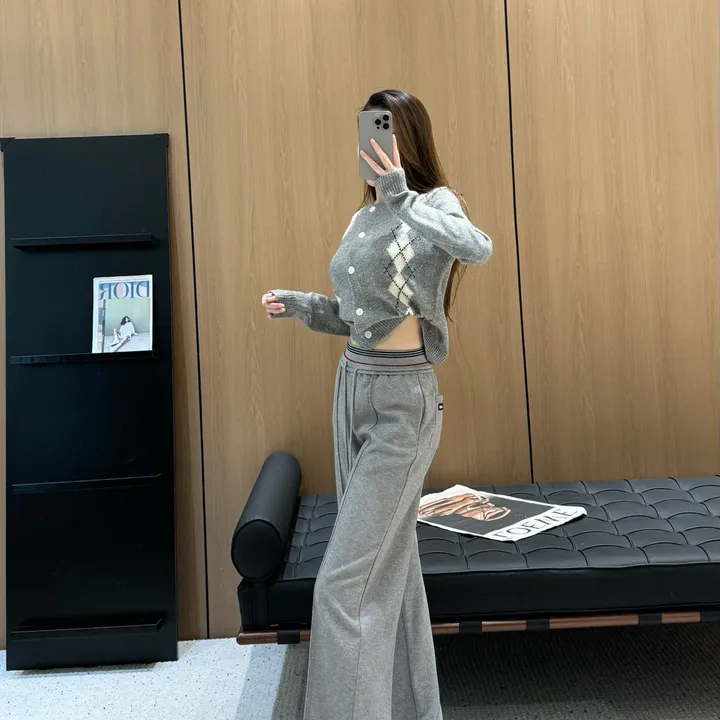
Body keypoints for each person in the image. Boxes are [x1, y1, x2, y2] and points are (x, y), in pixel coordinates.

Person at [261, 89, 492, 720]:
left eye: (382, 129)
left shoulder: (432, 203)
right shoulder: (361, 218)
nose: (370, 143)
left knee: (342, 585)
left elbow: (477, 247)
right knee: (390, 567)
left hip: (401, 399)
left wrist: (400, 196)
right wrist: (305, 306)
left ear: (405, 137)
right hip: (352, 389)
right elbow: (357, 318)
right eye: (365, 130)